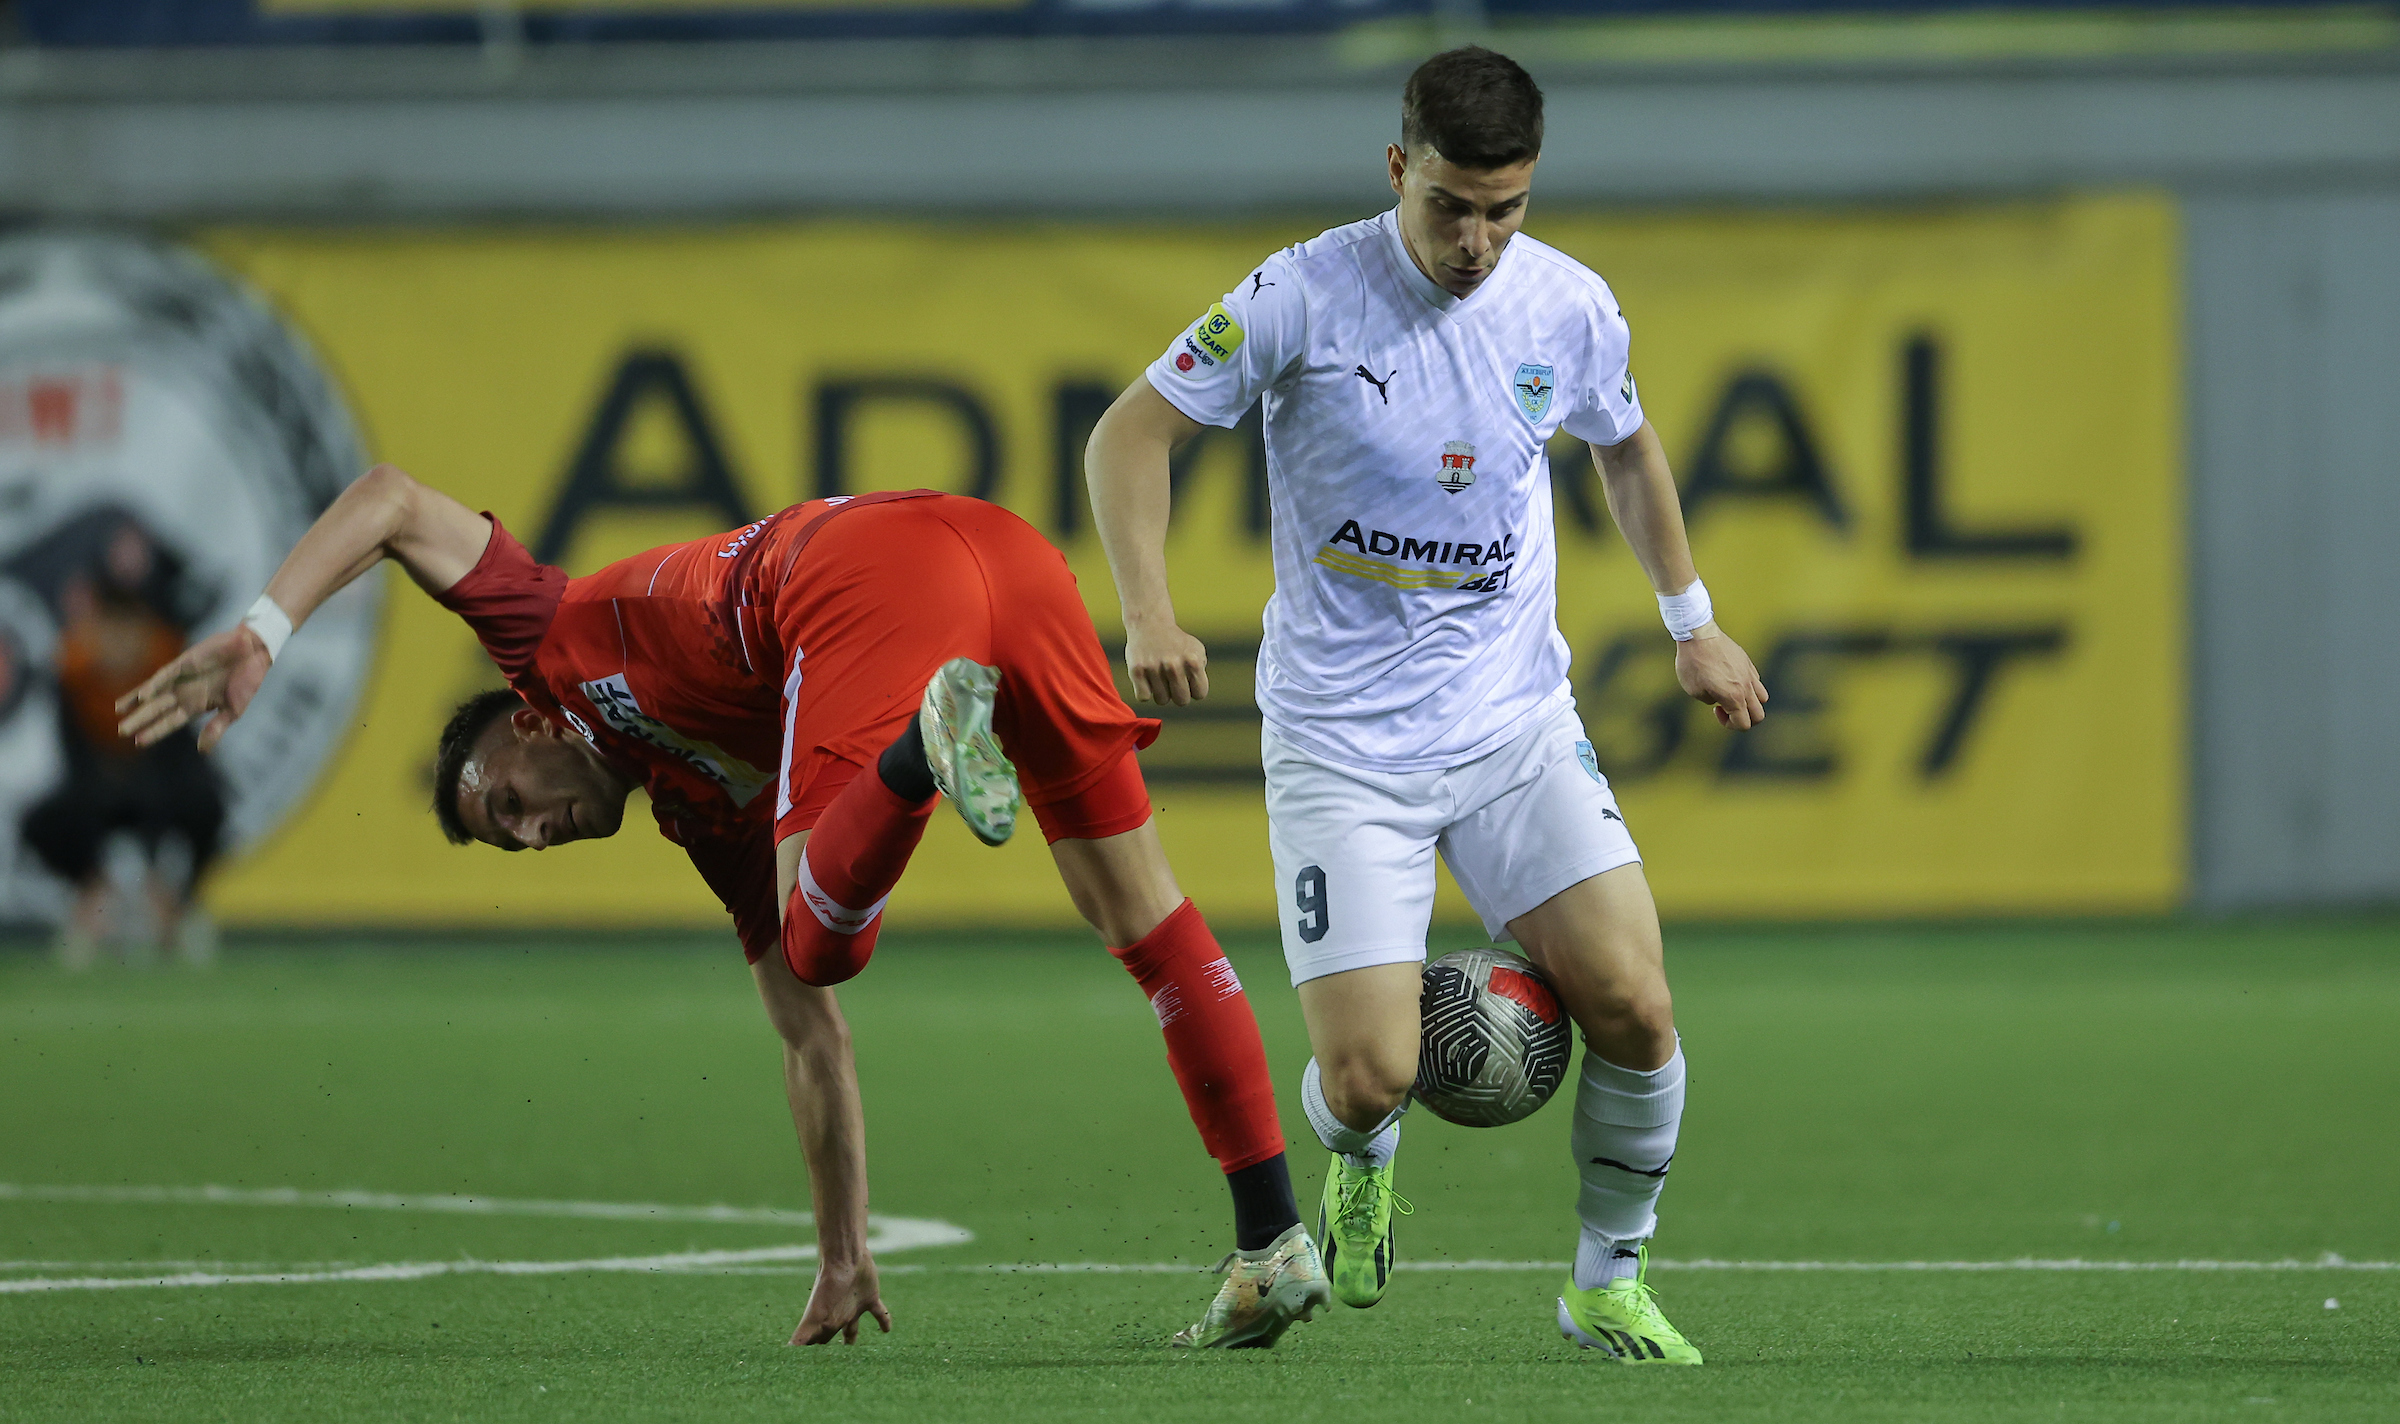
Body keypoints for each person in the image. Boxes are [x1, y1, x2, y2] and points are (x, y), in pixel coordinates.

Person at [119, 469, 1331, 1350]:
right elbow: (812, 1042)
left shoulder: (544, 641)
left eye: (507, 802)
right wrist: (845, 1256)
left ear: (531, 725)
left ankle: (919, 745)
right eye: (512, 841)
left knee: (821, 927)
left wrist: (263, 630)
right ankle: (1272, 1240)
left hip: (859, 582)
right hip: (1003, 558)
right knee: (1140, 918)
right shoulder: (701, 812)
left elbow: (387, 502)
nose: (530, 832)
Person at [1085, 47, 1769, 1363]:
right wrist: (1150, 611)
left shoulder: (1566, 306)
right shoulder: (1300, 295)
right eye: (1450, 206)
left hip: (1512, 725)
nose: (1476, 241)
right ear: (1398, 170)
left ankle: (1607, 1285)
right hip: (1345, 748)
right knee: (1370, 1075)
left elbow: (1623, 445)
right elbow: (1130, 433)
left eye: (1505, 209)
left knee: (1635, 1002)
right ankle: (1363, 1151)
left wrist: (1695, 623)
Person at [24, 520, 225, 967]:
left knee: (207, 804)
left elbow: (181, 752)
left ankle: (176, 905)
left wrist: (159, 867)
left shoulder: (166, 657)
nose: (117, 637)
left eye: (128, 620)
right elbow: (71, 754)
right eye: (108, 620)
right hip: (98, 783)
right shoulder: (74, 665)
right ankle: (95, 897)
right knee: (41, 822)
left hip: (159, 781)